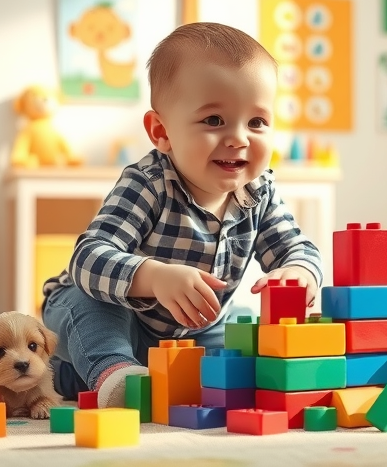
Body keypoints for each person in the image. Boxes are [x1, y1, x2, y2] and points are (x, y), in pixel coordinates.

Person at [42, 22, 323, 407]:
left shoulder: (259, 191)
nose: (239, 138)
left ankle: (71, 378)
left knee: (240, 331)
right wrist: (153, 276)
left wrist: (300, 271)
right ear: (162, 131)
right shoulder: (150, 183)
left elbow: (299, 248)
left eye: (257, 122)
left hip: (195, 333)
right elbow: (87, 258)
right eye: (213, 120)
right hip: (115, 318)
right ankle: (114, 374)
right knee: (90, 307)